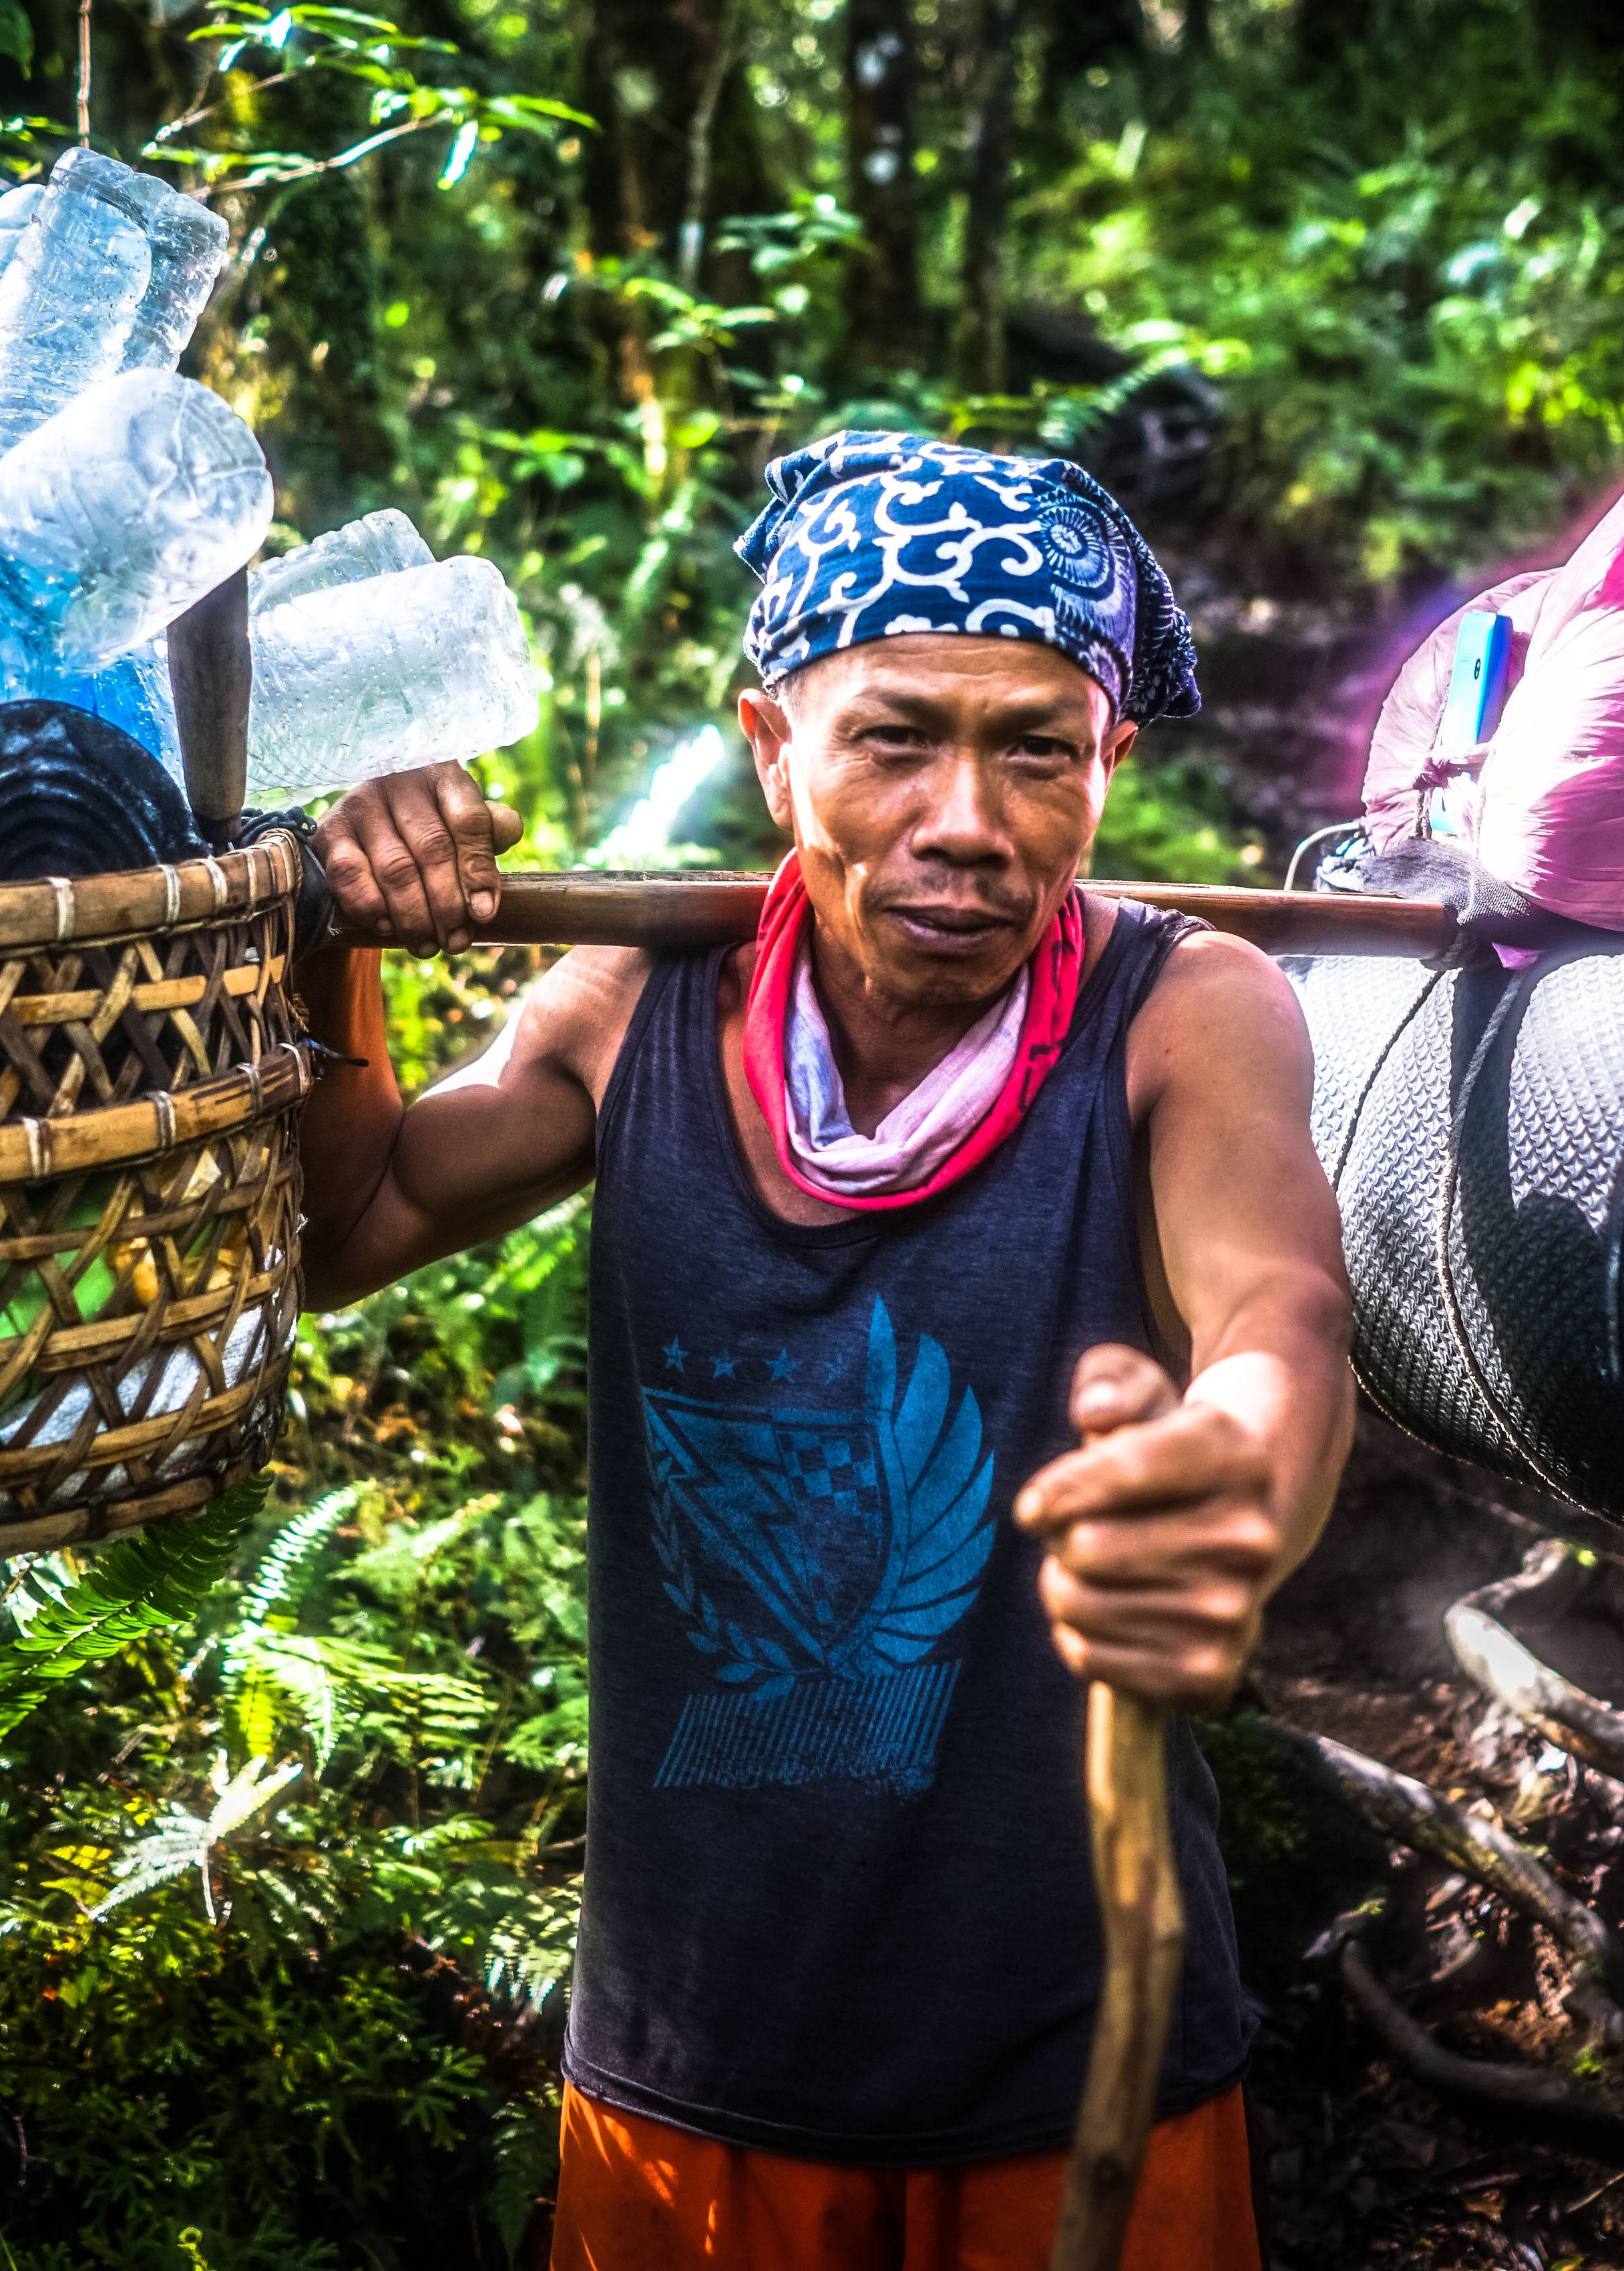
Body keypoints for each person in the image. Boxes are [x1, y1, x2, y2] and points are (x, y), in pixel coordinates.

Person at [296, 433, 1356, 2270]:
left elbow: (1281, 1309)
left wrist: (1237, 1487)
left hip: (1078, 2055)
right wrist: (336, 930)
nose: (967, 816)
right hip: (698, 2054)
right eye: (893, 739)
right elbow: (347, 1223)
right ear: (776, 746)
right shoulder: (637, 1011)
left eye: (1036, 745)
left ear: (1111, 764)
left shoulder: (1183, 1014)